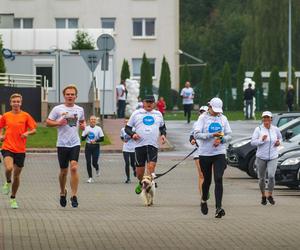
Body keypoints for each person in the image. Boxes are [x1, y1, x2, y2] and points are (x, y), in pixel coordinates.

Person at [46, 84, 85, 208]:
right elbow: (48, 122)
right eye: (68, 94)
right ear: (64, 95)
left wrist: (83, 126)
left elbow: (82, 121)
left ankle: (74, 196)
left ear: (76, 96)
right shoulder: (58, 109)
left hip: (75, 143)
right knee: (63, 171)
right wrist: (58, 122)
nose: (70, 96)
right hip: (62, 144)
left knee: (73, 168)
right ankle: (63, 192)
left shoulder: (80, 109)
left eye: (72, 94)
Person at [194, 97, 232, 218]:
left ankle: (218, 208)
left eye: (218, 110)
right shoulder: (202, 118)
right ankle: (204, 199)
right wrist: (211, 135)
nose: (216, 113)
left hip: (219, 153)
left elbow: (229, 135)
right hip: (205, 153)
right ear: (209, 107)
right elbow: (196, 134)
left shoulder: (223, 118)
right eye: (214, 110)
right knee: (207, 181)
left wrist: (221, 139)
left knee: (218, 178)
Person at [0, 93, 37, 209]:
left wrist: (27, 133)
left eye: (18, 101)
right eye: (14, 101)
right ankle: (7, 181)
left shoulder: (26, 116)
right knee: (9, 168)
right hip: (7, 147)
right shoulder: (6, 116)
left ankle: (13, 198)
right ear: (10, 103)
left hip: (20, 150)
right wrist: (1, 135)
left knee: (17, 176)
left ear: (21, 103)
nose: (16, 103)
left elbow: (34, 129)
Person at [125, 95, 167, 194]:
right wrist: (133, 134)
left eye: (151, 102)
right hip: (139, 146)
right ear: (143, 103)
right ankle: (141, 182)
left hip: (153, 145)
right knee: (139, 173)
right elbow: (127, 128)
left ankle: (149, 185)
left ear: (154, 103)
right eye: (147, 102)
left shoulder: (158, 114)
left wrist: (163, 135)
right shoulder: (136, 113)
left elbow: (163, 127)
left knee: (151, 167)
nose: (149, 104)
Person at [250, 111, 282, 206]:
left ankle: (270, 195)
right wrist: (261, 140)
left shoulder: (275, 129)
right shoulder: (258, 129)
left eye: (268, 118)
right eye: (264, 118)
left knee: (271, 176)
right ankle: (263, 195)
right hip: (261, 157)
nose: (266, 120)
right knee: (261, 178)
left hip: (273, 156)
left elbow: (280, 138)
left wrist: (278, 142)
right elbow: (253, 142)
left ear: (271, 119)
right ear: (262, 119)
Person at [189, 106, 208, 196]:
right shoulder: (196, 124)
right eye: (201, 112)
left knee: (207, 175)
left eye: (205, 112)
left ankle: (206, 189)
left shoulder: (212, 123)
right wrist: (192, 140)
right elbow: (191, 136)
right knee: (201, 175)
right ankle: (203, 196)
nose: (203, 113)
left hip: (209, 152)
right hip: (198, 152)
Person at [81, 115, 104, 183]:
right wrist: (86, 134)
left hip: (96, 146)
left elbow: (102, 139)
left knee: (94, 162)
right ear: (89, 121)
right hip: (88, 146)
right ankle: (90, 177)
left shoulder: (98, 128)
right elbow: (82, 138)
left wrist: (96, 141)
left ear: (96, 121)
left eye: (94, 119)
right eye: (91, 119)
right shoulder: (86, 128)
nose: (93, 121)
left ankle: (97, 169)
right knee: (88, 162)